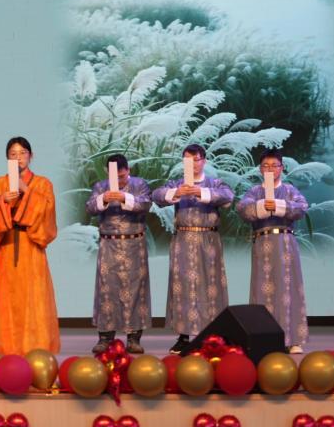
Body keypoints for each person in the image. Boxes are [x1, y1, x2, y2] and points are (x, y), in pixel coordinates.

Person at [152, 144, 234, 354]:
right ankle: (184, 336)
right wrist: (176, 192)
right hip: (183, 240)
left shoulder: (214, 183)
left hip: (208, 239)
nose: (193, 164)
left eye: (196, 160)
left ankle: (214, 334)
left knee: (211, 285)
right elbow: (157, 195)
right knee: (184, 286)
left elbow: (228, 196)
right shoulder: (177, 183)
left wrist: (200, 192)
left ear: (203, 161)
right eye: (188, 161)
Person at [0, 137, 60, 355]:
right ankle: (4, 349)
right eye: (13, 154)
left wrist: (27, 191)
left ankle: (36, 349)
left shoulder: (43, 184)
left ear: (31, 156)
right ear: (7, 158)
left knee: (34, 299)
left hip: (31, 246)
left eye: (23, 153)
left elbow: (48, 213)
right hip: (6, 247)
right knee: (5, 299)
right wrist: (1, 201)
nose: (18, 158)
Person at [237, 148, 310, 353]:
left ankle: (293, 339)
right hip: (262, 242)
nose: (270, 169)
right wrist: (262, 206)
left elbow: (302, 208)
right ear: (260, 169)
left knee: (289, 288)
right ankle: (263, 338)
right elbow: (242, 209)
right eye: (266, 166)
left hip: (285, 242)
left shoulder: (289, 190)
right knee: (262, 289)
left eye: (274, 165)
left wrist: (277, 205)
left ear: (281, 168)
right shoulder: (254, 191)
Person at [87, 154, 153, 354]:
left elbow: (146, 204)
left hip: (134, 244)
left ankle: (133, 338)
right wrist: (103, 199)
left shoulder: (140, 184)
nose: (120, 180)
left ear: (128, 170)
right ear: (107, 173)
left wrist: (124, 197)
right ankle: (105, 338)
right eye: (115, 177)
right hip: (109, 244)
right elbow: (89, 207)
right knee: (107, 290)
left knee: (136, 290)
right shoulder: (101, 186)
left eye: (122, 176)